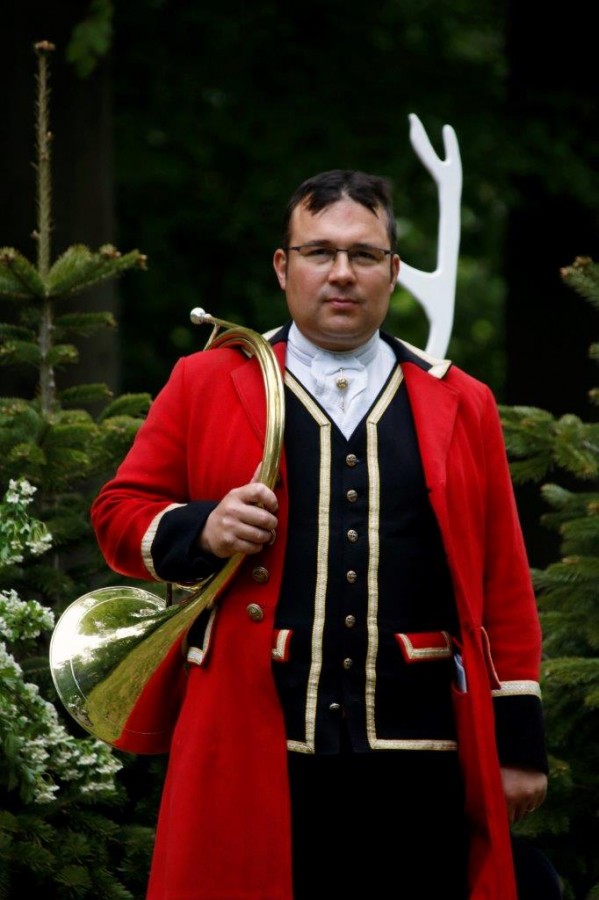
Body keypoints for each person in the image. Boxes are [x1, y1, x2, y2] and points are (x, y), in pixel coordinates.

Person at [91, 170, 562, 899]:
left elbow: (502, 581)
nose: (341, 273)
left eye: (363, 254)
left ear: (393, 272)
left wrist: (517, 744)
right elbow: (118, 513)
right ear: (284, 267)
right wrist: (203, 528)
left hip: (423, 749)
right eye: (319, 252)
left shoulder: (461, 400)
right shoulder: (205, 381)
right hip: (253, 736)